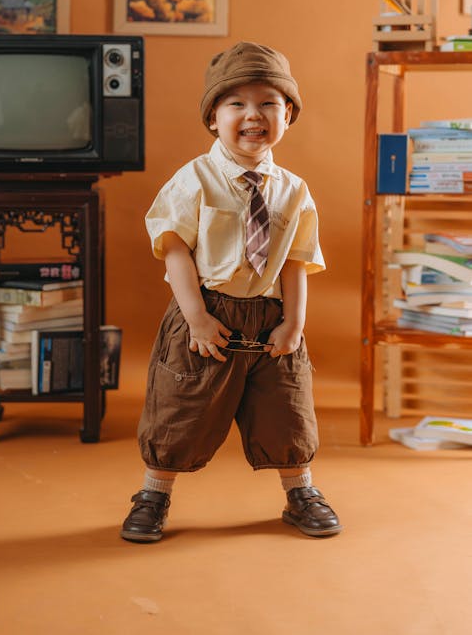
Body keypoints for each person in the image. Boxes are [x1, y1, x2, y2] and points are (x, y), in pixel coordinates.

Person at [121, 41, 342, 542]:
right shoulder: (194, 179)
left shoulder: (293, 190)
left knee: (286, 408)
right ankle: (153, 494)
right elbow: (175, 249)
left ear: (288, 114)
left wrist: (294, 323)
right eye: (236, 104)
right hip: (207, 310)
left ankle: (300, 491)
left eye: (269, 103)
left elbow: (295, 259)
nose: (253, 115)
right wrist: (196, 317)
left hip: (271, 316)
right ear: (213, 117)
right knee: (181, 404)